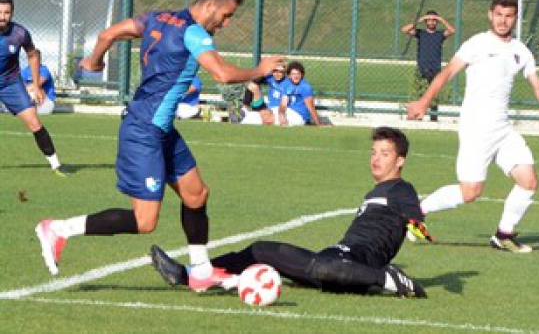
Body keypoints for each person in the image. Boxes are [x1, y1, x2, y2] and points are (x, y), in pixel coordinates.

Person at [34, 0, 285, 291]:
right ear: (209, 5)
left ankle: (201, 270)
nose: (225, 24)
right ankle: (58, 229)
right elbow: (221, 74)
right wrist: (259, 71)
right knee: (144, 221)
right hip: (144, 130)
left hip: (160, 128)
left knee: (196, 194)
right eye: (226, 16)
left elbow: (110, 33)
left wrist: (94, 61)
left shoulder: (157, 18)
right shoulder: (194, 33)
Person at [150, 126, 429, 298]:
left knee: (325, 268)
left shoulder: (401, 189)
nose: (375, 159)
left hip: (359, 263)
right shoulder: (375, 192)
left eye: (384, 154)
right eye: (373, 152)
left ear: (400, 160)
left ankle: (390, 280)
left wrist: (416, 222)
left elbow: (415, 214)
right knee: (262, 250)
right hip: (336, 258)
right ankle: (188, 274)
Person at [407, 0, 539, 253]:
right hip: (476, 129)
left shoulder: (521, 51)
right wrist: (423, 102)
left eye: (509, 16)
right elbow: (447, 72)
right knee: (470, 193)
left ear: (515, 18)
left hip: (503, 130)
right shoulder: (476, 44)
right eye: (498, 14)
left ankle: (503, 235)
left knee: (528, 180)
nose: (503, 20)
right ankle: (415, 213)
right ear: (490, 15)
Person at [0, 0, 68, 176]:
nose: (2, 16)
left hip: (9, 83)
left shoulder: (19, 33)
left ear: (12, 13)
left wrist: (37, 86)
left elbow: (33, 54)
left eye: (7, 12)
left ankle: (56, 165)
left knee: (34, 121)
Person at [401, 10, 455, 121]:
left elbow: (452, 30)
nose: (431, 22)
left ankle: (433, 117)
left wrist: (441, 19)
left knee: (433, 94)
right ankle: (417, 115)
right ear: (426, 21)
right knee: (420, 93)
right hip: (422, 67)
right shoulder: (421, 33)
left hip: (435, 68)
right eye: (429, 20)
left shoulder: (440, 34)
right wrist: (419, 20)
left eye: (434, 20)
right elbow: (405, 29)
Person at [277, 61, 323, 127]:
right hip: (289, 112)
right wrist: (281, 114)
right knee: (268, 115)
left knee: (272, 119)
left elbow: (311, 107)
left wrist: (318, 124)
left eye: (298, 74)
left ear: (302, 75)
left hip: (300, 116)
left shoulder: (305, 87)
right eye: (293, 74)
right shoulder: (286, 84)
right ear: (289, 75)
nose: (296, 76)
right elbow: (283, 104)